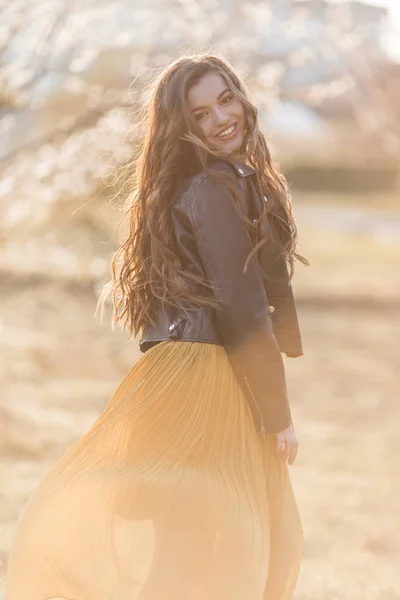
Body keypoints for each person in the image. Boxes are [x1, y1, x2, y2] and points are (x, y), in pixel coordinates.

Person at [5, 52, 309, 600]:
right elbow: (240, 309)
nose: (221, 118)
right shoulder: (213, 189)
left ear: (241, 97)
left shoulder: (222, 182)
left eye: (225, 99)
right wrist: (278, 415)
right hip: (204, 373)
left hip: (189, 368)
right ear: (181, 126)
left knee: (193, 540)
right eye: (200, 114)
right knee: (214, 537)